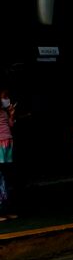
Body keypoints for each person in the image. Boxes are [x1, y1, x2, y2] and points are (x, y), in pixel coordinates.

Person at [0, 86, 16, 221]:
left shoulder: (4, 112)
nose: (7, 100)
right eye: (4, 97)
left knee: (5, 178)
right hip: (1, 145)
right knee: (1, 178)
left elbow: (10, 125)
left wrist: (11, 114)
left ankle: (5, 211)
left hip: (7, 144)